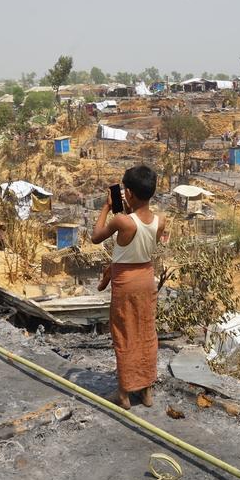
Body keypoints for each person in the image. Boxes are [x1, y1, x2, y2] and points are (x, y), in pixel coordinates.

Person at [91, 165, 165, 410]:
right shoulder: (159, 221)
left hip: (126, 282)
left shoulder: (122, 221)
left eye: (124, 189)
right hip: (146, 278)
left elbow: (96, 236)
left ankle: (123, 393)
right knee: (145, 331)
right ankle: (146, 390)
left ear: (130, 193)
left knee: (124, 333)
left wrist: (106, 207)